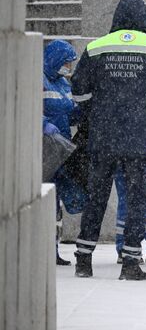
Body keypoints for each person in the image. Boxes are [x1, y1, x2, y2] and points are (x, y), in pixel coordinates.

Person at [71, 0, 146, 280]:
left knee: (97, 198)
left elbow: (79, 91)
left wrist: (96, 113)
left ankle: (84, 259)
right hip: (141, 137)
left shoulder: (97, 47)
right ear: (145, 18)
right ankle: (131, 262)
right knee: (137, 200)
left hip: (103, 136)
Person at [42, 39, 86, 266]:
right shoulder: (39, 80)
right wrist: (43, 124)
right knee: (47, 201)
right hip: (45, 148)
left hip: (62, 149)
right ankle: (44, 249)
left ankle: (53, 249)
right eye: (67, 63)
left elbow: (70, 112)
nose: (69, 68)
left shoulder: (63, 84)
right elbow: (30, 107)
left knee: (56, 203)